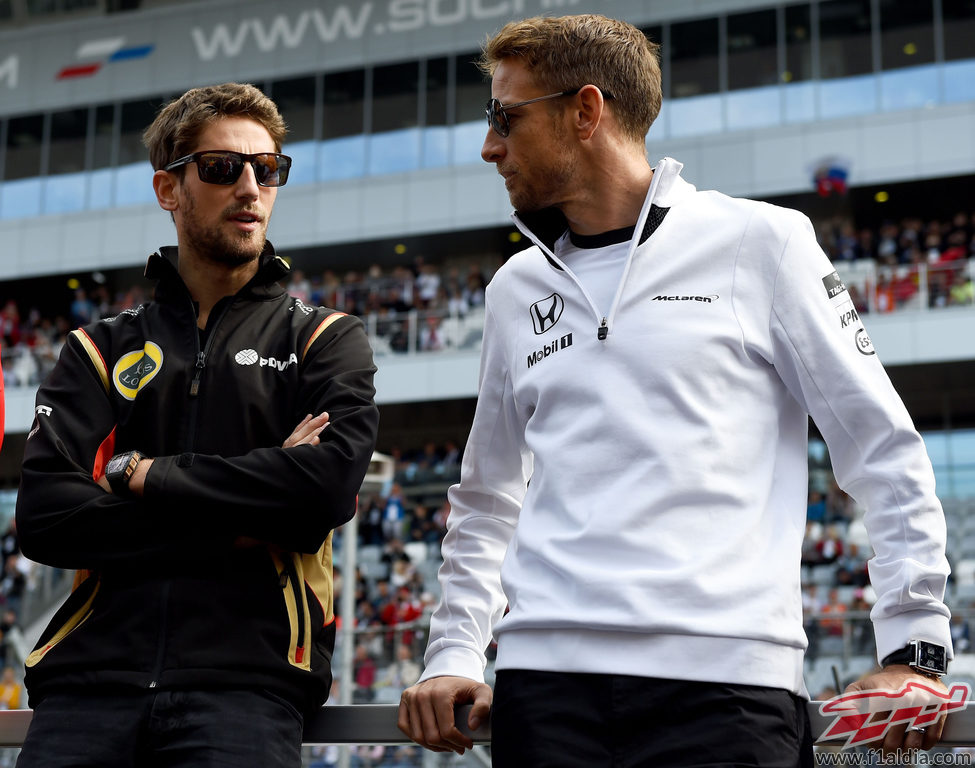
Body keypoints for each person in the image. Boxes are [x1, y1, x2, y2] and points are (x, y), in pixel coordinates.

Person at [397, 14, 953, 767]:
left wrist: (914, 651)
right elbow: (487, 496)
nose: (489, 145)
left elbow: (879, 447)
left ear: (584, 111)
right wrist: (454, 651)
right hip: (543, 694)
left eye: (505, 117)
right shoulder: (512, 289)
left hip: (727, 691)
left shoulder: (761, 243)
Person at [15, 82, 379, 768]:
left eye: (267, 169)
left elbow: (322, 494)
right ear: (169, 189)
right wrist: (253, 509)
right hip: (89, 687)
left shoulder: (325, 339)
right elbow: (45, 519)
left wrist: (141, 475)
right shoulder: (97, 349)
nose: (250, 186)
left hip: (247, 688)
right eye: (221, 168)